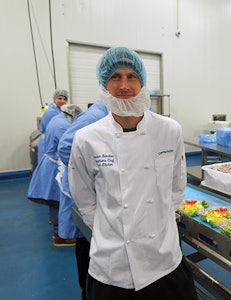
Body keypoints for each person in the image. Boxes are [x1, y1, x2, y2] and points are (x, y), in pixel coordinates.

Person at [68, 46, 197, 300]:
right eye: (115, 77)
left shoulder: (169, 130)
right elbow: (84, 199)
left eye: (131, 76)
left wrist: (156, 223)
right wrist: (112, 230)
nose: (124, 85)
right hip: (111, 265)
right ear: (104, 83)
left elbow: (176, 187)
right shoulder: (87, 139)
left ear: (142, 82)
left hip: (163, 260)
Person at [57, 99, 108, 300]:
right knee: (89, 244)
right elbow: (65, 148)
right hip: (92, 195)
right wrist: (94, 174)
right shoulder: (94, 117)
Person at [28, 104, 82, 246]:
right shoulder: (63, 126)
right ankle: (60, 235)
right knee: (58, 200)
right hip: (54, 165)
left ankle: (56, 228)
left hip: (49, 162)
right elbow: (66, 147)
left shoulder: (56, 119)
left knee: (53, 199)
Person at [37, 89, 69, 162]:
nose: (62, 101)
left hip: (51, 141)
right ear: (54, 99)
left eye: (65, 99)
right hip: (48, 141)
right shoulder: (51, 112)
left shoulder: (60, 110)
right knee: (48, 165)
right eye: (59, 98)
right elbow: (54, 129)